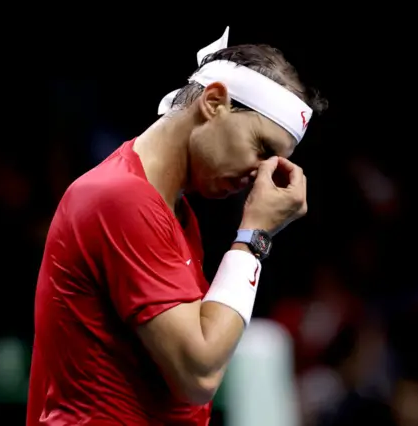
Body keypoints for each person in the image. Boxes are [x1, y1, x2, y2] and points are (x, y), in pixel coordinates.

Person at [27, 27, 328, 425]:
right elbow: (198, 373)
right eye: (262, 149)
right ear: (214, 101)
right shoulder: (120, 199)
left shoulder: (175, 216)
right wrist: (255, 238)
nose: (262, 175)